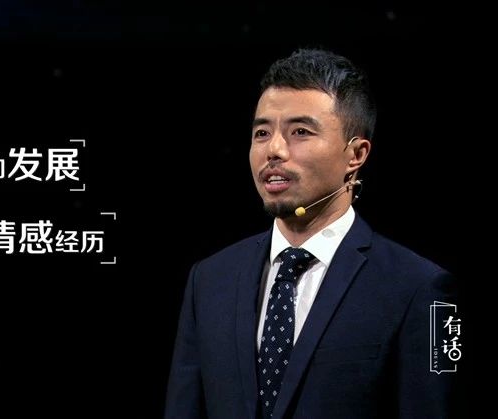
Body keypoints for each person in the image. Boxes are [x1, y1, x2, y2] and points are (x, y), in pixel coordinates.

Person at [164, 49, 457, 419]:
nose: (274, 150)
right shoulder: (209, 280)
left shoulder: (419, 287)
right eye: (262, 133)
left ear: (356, 154)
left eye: (300, 132)